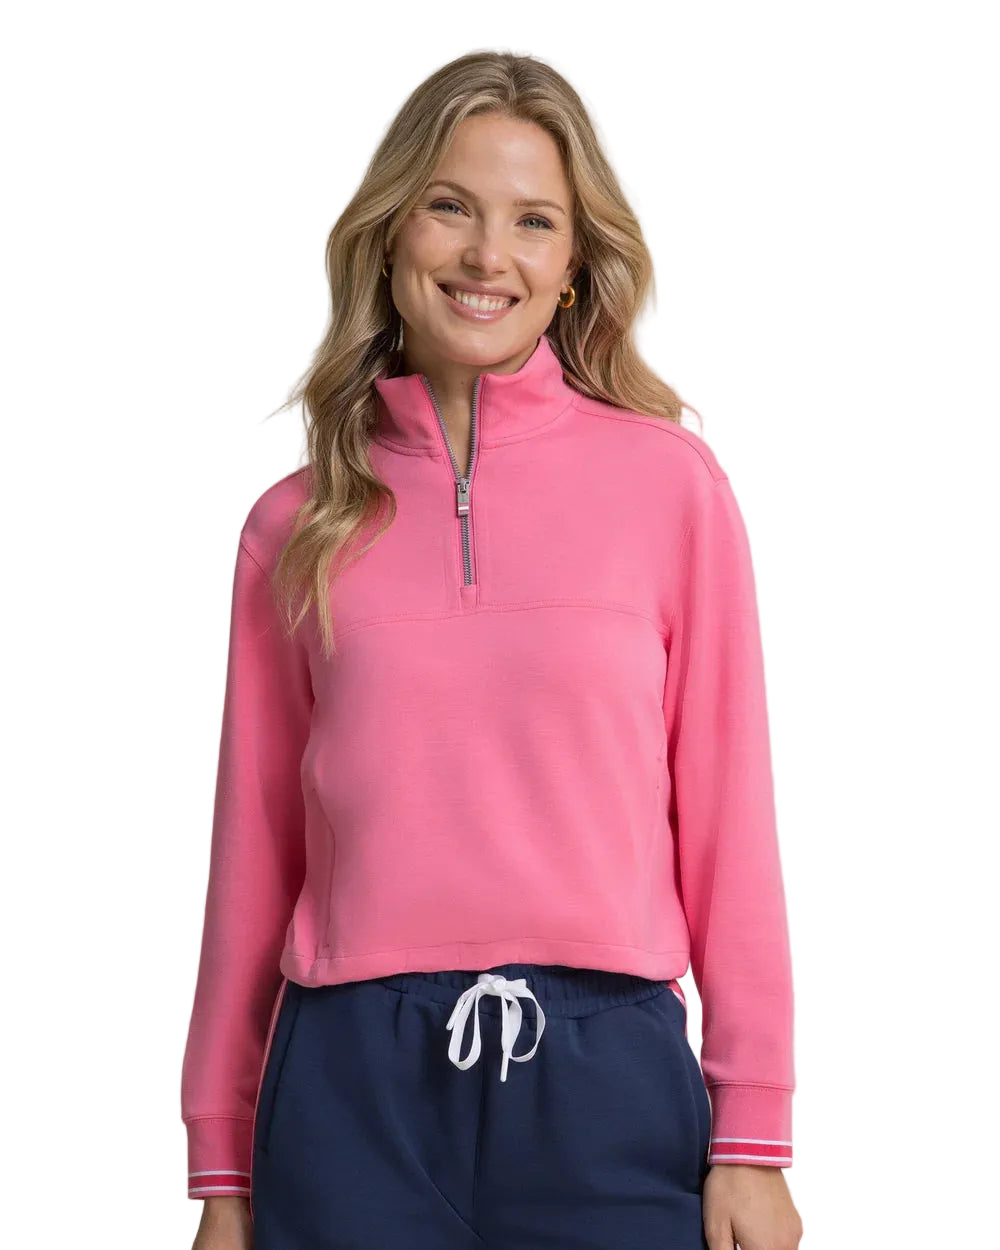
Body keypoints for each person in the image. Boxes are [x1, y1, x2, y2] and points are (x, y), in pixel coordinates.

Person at [181, 50, 803, 1250]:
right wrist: (221, 1158)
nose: (486, 255)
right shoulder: (293, 526)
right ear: (389, 235)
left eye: (532, 221)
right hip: (347, 1086)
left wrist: (754, 1132)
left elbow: (730, 818)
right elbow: (251, 856)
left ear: (572, 267)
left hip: (608, 1074)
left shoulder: (669, 488)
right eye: (449, 206)